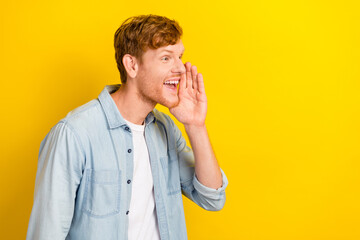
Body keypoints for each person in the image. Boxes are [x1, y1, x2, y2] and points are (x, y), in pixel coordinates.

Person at [26, 14, 228, 240]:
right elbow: (46, 234)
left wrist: (195, 125)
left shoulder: (166, 129)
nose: (181, 68)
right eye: (166, 58)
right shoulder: (74, 134)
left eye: (180, 56)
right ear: (132, 65)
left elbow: (212, 198)